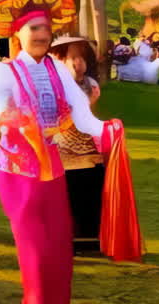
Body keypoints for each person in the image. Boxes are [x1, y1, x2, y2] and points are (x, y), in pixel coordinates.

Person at [0, 0, 123, 303]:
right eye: (34, 28)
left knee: (58, 246)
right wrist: (6, 117)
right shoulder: (6, 70)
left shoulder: (57, 69)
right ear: (19, 33)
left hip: (53, 170)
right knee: (36, 250)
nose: (42, 34)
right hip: (17, 172)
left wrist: (106, 129)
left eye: (46, 28)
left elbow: (81, 111)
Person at [49, 34, 106, 254]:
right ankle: (68, 240)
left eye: (81, 57)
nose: (77, 62)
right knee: (68, 196)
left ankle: (90, 239)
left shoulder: (90, 84)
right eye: (71, 57)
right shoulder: (56, 87)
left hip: (89, 149)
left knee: (91, 195)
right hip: (64, 149)